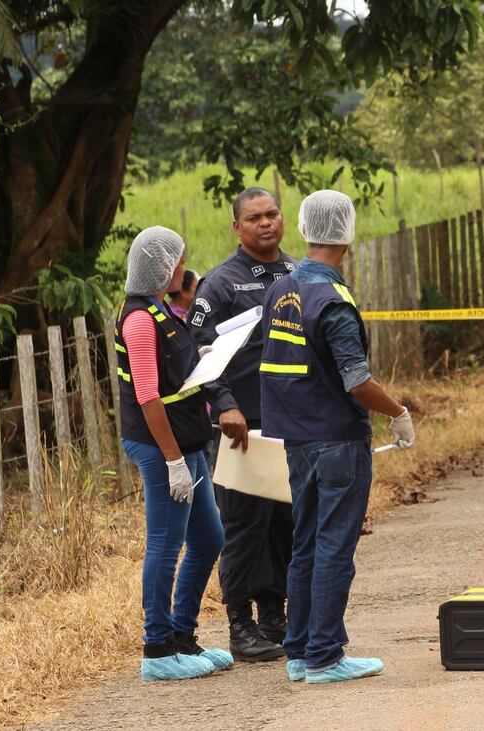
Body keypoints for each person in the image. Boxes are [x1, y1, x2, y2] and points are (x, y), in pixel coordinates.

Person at [259, 190, 416, 685]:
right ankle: (327, 654)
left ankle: (300, 652)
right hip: (338, 441)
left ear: (304, 228)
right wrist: (398, 412)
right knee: (333, 548)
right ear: (347, 233)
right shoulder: (334, 300)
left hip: (296, 439)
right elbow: (356, 380)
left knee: (304, 541)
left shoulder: (280, 288)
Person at [188, 187, 296, 663]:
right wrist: (225, 403)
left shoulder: (299, 274)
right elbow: (197, 351)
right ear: (237, 227)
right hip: (240, 425)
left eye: (271, 213)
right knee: (244, 526)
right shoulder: (220, 284)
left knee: (284, 524)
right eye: (254, 218)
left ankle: (275, 617)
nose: (265, 223)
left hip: (291, 421)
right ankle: (241, 625)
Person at [116, 226, 229, 682]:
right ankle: (157, 648)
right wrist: (173, 462)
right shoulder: (140, 318)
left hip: (185, 438)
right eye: (179, 260)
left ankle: (182, 636)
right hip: (160, 445)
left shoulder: (161, 308)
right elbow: (147, 397)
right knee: (166, 544)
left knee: (209, 539)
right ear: (163, 266)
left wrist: (202, 357)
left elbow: (170, 371)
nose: (184, 268)